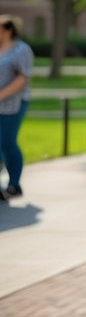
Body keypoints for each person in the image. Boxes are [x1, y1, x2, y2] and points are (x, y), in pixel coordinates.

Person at [0, 14, 34, 200]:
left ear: (8, 29)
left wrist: (1, 95)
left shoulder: (21, 50)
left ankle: (14, 185)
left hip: (14, 103)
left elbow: (23, 77)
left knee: (6, 142)